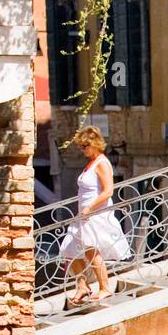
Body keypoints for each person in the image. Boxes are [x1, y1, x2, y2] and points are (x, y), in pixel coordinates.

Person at [59, 127, 131, 306]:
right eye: (81, 146)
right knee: (70, 249)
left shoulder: (102, 163)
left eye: (85, 146)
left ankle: (105, 287)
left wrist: (90, 208)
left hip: (95, 213)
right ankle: (82, 286)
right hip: (83, 214)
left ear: (95, 144)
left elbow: (108, 191)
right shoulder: (91, 162)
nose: (82, 149)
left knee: (91, 249)